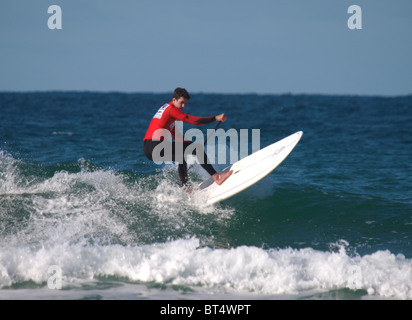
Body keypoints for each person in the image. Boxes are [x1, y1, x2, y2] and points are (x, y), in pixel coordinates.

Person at [143, 88, 232, 187]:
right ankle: (217, 177)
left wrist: (191, 146)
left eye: (185, 103)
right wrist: (215, 118)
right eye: (181, 103)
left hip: (148, 149)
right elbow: (193, 121)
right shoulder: (171, 109)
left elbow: (176, 135)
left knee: (182, 155)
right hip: (155, 145)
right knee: (193, 148)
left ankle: (186, 187)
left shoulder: (166, 110)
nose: (183, 106)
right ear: (174, 100)